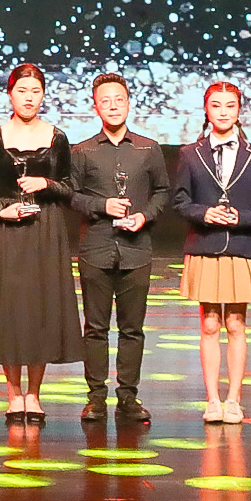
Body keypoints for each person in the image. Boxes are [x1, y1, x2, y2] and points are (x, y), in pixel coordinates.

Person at [0, 63, 82, 424]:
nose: (29, 98)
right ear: (10, 95)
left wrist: (45, 184)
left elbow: (69, 187)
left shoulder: (57, 138)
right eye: (22, 91)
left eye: (35, 91)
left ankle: (34, 393)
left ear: (43, 95)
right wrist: (1, 209)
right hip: (7, 229)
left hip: (46, 228)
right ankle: (13, 393)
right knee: (9, 307)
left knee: (41, 307)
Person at [67, 73, 170, 425]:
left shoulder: (148, 148)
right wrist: (101, 206)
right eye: (105, 101)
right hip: (96, 249)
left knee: (132, 329)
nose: (113, 106)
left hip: (136, 250)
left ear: (128, 103)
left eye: (119, 100)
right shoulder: (82, 151)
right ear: (95, 107)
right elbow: (71, 196)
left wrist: (144, 216)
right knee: (95, 328)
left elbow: (162, 191)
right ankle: (96, 397)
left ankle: (128, 396)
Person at [173, 81, 251, 424]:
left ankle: (234, 399)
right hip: (205, 245)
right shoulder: (191, 153)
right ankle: (212, 400)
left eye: (229, 105)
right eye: (216, 105)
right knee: (209, 323)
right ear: (206, 109)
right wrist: (205, 213)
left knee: (235, 322)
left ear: (238, 110)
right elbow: (180, 200)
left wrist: (241, 218)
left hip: (241, 246)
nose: (223, 112)